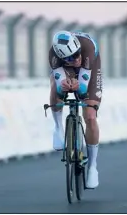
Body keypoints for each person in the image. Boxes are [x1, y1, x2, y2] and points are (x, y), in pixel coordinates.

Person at [48, 30, 102, 189]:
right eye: (71, 58)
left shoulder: (87, 49)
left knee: (90, 115)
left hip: (91, 66)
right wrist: (64, 85)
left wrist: (79, 86)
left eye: (77, 54)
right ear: (61, 57)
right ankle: (58, 128)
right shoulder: (54, 56)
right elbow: (59, 87)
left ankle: (92, 167)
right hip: (66, 70)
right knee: (56, 86)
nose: (76, 59)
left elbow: (83, 89)